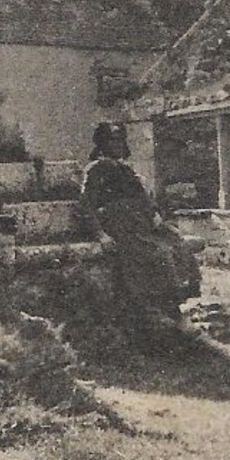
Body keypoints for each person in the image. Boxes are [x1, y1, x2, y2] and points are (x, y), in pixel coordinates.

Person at [81, 122, 196, 339]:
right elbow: (86, 205)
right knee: (157, 254)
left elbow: (143, 196)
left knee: (177, 243)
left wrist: (154, 213)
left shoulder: (126, 169)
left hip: (141, 221)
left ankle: (176, 307)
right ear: (103, 144)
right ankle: (163, 312)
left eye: (120, 140)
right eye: (112, 140)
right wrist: (101, 234)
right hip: (120, 225)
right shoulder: (95, 169)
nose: (117, 145)